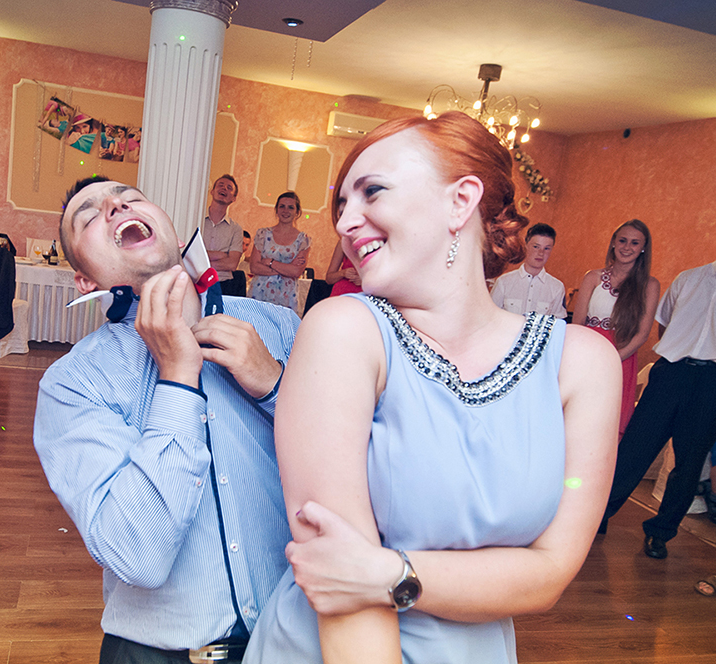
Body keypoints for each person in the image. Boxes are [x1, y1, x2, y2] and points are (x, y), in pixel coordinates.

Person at [244, 111, 620, 664]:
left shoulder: (584, 363)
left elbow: (550, 572)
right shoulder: (344, 329)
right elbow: (338, 587)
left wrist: (390, 572)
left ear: (461, 201)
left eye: (372, 191)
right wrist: (378, 579)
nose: (345, 223)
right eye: (342, 205)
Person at [33, 176, 300, 664]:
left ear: (175, 234)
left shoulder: (281, 327)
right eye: (88, 217)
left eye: (130, 198)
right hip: (156, 653)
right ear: (85, 280)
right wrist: (177, 379)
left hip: (293, 644)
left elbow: (360, 477)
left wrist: (275, 386)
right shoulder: (73, 382)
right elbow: (139, 556)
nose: (115, 206)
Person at [598, 260, 716, 559]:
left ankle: (660, 533)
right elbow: (664, 323)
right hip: (671, 372)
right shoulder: (689, 278)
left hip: (710, 382)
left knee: (689, 465)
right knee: (635, 448)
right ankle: (597, 516)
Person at [572, 219, 660, 437]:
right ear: (613, 242)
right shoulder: (592, 277)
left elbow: (642, 334)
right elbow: (577, 324)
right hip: (587, 355)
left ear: (643, 248)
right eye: (622, 240)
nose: (627, 247)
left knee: (605, 428)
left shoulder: (650, 285)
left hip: (620, 358)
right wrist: (583, 358)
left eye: (634, 243)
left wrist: (613, 358)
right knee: (575, 418)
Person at [248, 191, 310, 311]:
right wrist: (286, 269)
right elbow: (254, 267)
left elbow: (296, 271)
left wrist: (270, 262)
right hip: (260, 293)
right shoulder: (262, 234)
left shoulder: (303, 240)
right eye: (282, 206)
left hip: (286, 297)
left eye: (290, 207)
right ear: (276, 209)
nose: (285, 210)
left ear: (297, 212)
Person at [489, 223, 566, 317]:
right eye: (536, 247)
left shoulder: (557, 287)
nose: (541, 253)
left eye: (546, 248)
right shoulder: (504, 282)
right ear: (526, 245)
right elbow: (490, 316)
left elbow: (557, 321)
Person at [202, 174, 245, 296]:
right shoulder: (197, 220)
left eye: (229, 188)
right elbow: (190, 254)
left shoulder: (236, 229)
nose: (224, 188)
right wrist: (221, 255)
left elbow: (232, 264)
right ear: (212, 191)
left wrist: (203, 260)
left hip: (223, 284)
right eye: (220, 185)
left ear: (234, 198)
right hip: (196, 280)